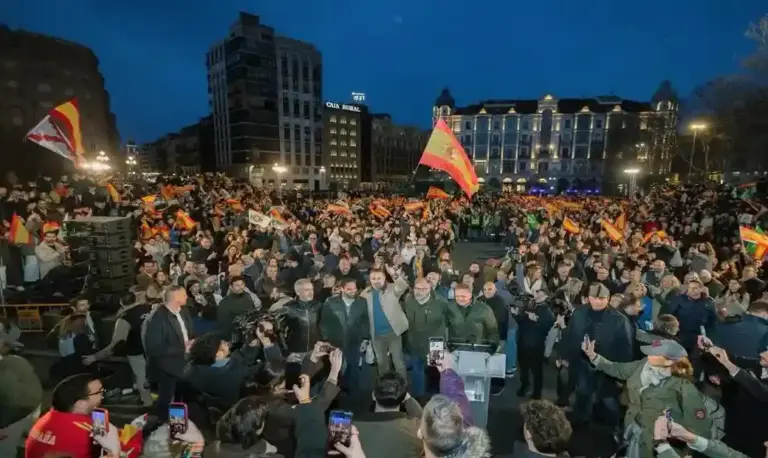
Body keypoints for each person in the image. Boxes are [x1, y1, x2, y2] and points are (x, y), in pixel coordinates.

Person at [583, 338, 713, 457]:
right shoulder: (643, 365)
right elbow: (618, 369)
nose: (649, 356)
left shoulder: (683, 387)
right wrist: (594, 357)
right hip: (632, 429)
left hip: (657, 442)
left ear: (669, 361)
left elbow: (700, 427)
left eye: (655, 354)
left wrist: (690, 453)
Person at [557, 282, 634, 432]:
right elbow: (570, 335)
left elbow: (626, 348)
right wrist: (564, 355)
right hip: (582, 362)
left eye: (602, 298)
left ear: (608, 298)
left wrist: (621, 372)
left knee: (607, 398)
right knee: (582, 393)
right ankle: (581, 423)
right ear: (588, 298)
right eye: (594, 298)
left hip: (607, 365)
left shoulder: (619, 320)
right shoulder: (579, 313)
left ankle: (613, 427)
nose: (598, 301)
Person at [185, 323, 283, 410]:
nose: (227, 343)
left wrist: (251, 346)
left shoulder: (193, 371)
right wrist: (267, 342)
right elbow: (275, 370)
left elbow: (237, 359)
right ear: (218, 354)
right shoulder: (238, 374)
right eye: (223, 344)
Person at [82, 291, 153, 406]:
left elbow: (115, 345)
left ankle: (148, 405)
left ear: (120, 302)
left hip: (136, 353)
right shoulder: (147, 309)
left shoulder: (125, 319)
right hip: (153, 350)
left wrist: (94, 357)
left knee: (142, 379)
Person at [25, 373, 120, 457]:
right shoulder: (88, 432)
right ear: (81, 403)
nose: (102, 396)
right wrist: (115, 451)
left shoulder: (45, 418)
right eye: (100, 392)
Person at [402, 278, 460, 397]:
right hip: (415, 342)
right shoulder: (408, 300)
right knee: (417, 371)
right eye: (417, 288)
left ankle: (438, 397)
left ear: (430, 289)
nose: (420, 291)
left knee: (436, 371)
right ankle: (418, 398)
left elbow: (451, 320)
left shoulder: (441, 302)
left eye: (424, 289)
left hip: (435, 343)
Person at [144, 284, 193, 421]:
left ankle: (179, 422)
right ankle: (164, 423)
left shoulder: (184, 311)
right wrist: (183, 348)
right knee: (166, 398)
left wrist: (193, 342)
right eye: (184, 295)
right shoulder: (157, 319)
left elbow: (189, 332)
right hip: (166, 367)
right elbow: (153, 348)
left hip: (184, 362)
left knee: (180, 395)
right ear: (176, 298)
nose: (187, 297)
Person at [319, 277, 370, 397]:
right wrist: (326, 340)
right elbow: (325, 323)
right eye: (349, 289)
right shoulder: (330, 302)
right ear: (341, 289)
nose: (353, 291)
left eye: (355, 289)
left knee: (354, 369)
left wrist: (365, 338)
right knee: (337, 369)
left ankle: (354, 396)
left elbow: (365, 322)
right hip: (335, 341)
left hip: (354, 341)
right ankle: (335, 395)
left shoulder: (362, 302)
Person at [356, 372, 423, 458]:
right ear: (403, 399)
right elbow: (428, 424)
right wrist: (409, 399)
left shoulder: (353, 429)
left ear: (373, 396)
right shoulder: (416, 429)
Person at [359, 266, 410, 377]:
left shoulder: (392, 288)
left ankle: (403, 389)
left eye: (379, 278)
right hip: (376, 336)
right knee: (382, 365)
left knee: (398, 363)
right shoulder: (365, 294)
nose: (376, 281)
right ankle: (385, 388)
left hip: (393, 333)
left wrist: (394, 275)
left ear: (384, 279)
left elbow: (403, 286)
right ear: (370, 280)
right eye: (373, 278)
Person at [0, 347, 43, 456]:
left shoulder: (5, 373)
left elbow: (10, 402)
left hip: (15, 415)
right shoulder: (17, 360)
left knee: (5, 450)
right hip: (34, 406)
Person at [514, 290, 555, 399]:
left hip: (536, 345)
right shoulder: (529, 305)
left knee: (536, 370)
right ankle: (525, 385)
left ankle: (537, 392)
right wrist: (516, 315)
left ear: (546, 297)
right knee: (523, 368)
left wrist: (536, 320)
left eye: (540, 294)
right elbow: (522, 321)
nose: (537, 296)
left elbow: (548, 326)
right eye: (536, 293)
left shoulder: (547, 311)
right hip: (522, 342)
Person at [450, 283, 499, 347]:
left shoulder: (484, 309)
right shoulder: (450, 308)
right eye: (457, 296)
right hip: (454, 350)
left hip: (478, 350)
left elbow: (493, 332)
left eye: (463, 296)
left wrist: (490, 349)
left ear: (470, 295)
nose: (460, 299)